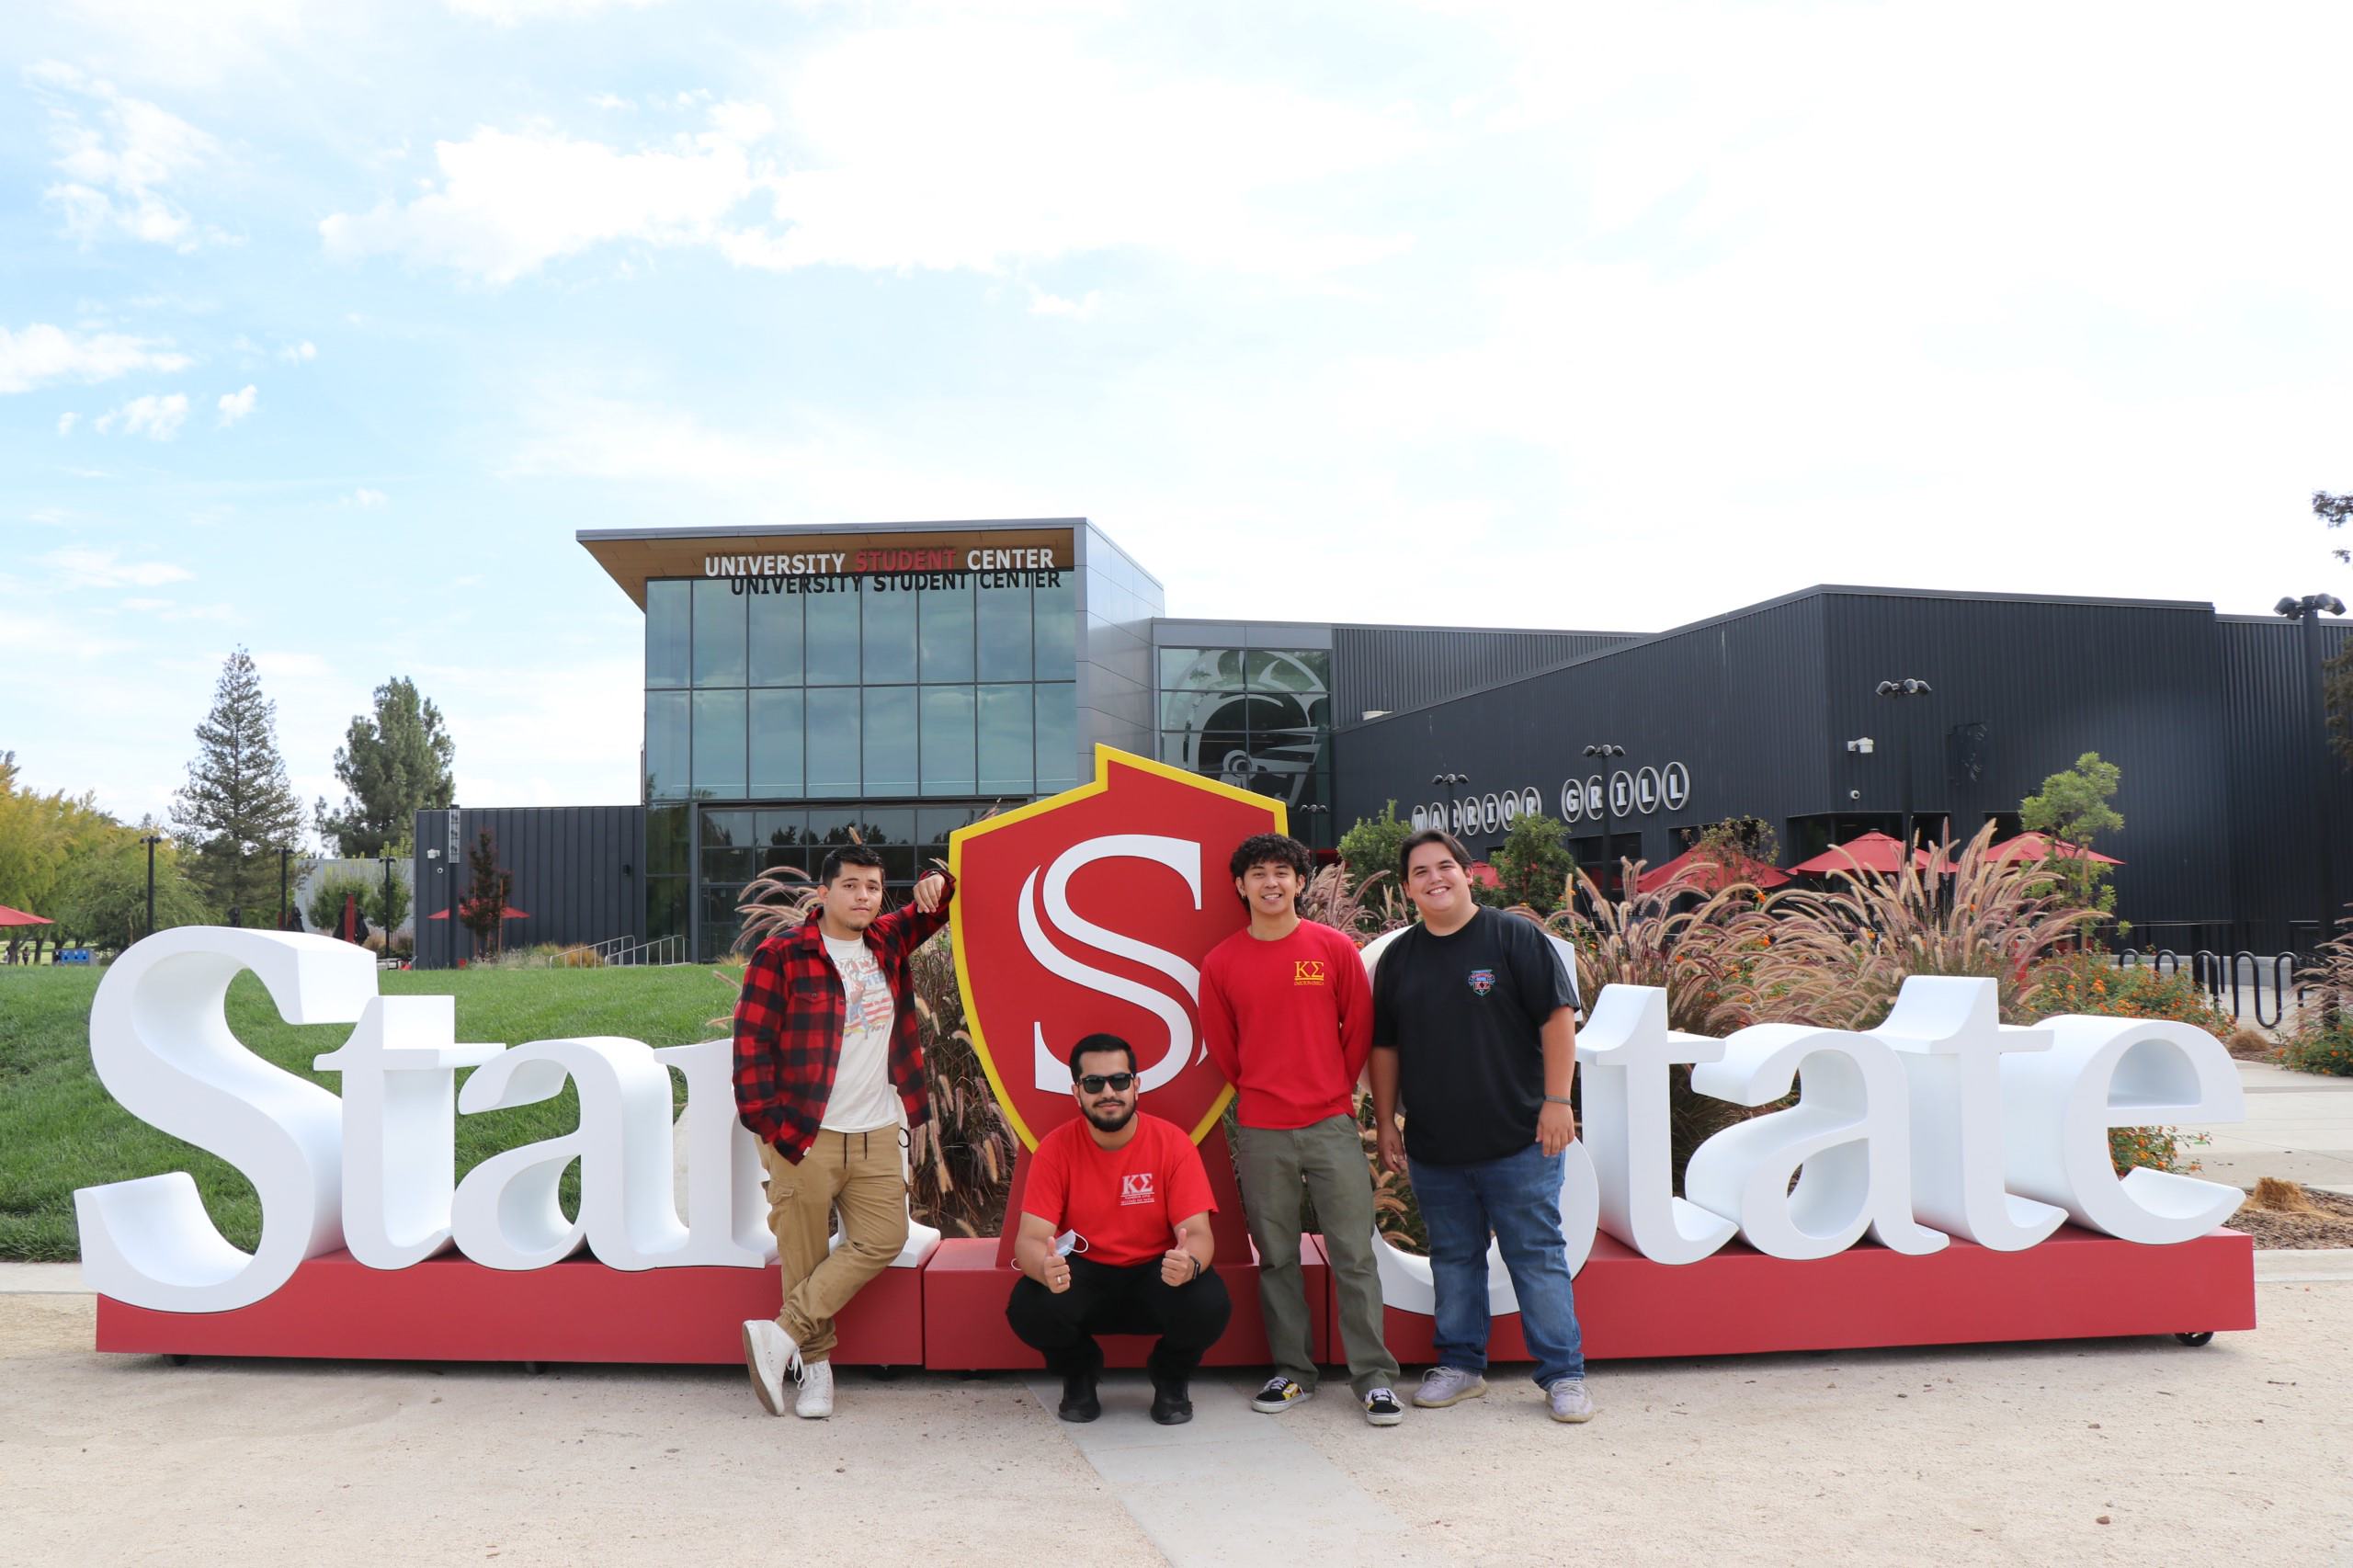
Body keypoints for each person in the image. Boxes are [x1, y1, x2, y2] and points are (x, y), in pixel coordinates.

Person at [1369, 827, 1595, 1424]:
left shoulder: (1514, 937)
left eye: (1445, 866)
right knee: (1454, 1257)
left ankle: (1564, 1376)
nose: (1434, 878)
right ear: (1406, 888)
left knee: (1536, 1255)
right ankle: (1462, 1365)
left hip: (1520, 1136)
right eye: (1420, 871)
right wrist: (1387, 1119)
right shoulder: (1399, 958)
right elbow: (1384, 1048)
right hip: (1437, 1145)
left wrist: (1558, 1101)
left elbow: (1557, 1018)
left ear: (1469, 874)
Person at [735, 846, 953, 1420]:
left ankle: (780, 1336)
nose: (863, 897)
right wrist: (771, 1125)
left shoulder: (886, 940)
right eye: (851, 885)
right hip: (805, 1132)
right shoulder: (781, 955)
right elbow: (752, 1043)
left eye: (874, 888)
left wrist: (938, 879)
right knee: (802, 1254)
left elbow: (940, 903)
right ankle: (818, 1374)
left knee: (882, 1237)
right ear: (824, 892)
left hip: (877, 1129)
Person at [1199, 831, 1403, 1426]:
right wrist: (1267, 1092)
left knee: (1354, 1254)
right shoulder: (1222, 963)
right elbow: (1225, 1050)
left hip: (1330, 1125)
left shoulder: (1332, 949)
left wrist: (1328, 1092)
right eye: (1259, 873)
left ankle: (1373, 1377)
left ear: (1299, 881)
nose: (1271, 882)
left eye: (1282, 872)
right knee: (1277, 1258)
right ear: (1241, 886)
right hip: (1262, 1130)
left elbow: (1358, 1030)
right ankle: (1294, 1371)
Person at [1006, 1034, 1232, 1426]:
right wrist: (1044, 1269)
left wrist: (1190, 1263)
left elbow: (1197, 1232)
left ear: (1136, 1085)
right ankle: (1079, 1372)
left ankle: (1170, 1376)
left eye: (1120, 1081)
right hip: (1085, 1275)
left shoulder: (1173, 1144)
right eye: (1094, 1083)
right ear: (1076, 1092)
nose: (1108, 1092)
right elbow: (1028, 1239)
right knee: (1029, 1305)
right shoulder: (1056, 1149)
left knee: (1210, 1301)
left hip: (1156, 1274)